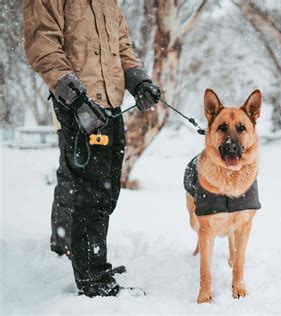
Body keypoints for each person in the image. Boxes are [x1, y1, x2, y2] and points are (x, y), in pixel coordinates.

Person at [23, 1, 161, 297]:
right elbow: (42, 42)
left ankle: (68, 243)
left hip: (111, 104)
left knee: (104, 187)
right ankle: (93, 279)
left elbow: (122, 46)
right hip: (78, 103)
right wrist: (73, 96)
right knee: (91, 191)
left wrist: (137, 79)